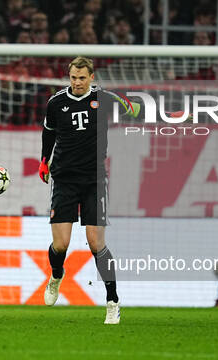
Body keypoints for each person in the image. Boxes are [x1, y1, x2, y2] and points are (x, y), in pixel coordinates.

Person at [38, 56, 142, 324]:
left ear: (92, 77)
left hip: (94, 180)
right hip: (63, 178)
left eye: (82, 78)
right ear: (69, 77)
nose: (77, 82)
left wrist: (144, 108)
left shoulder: (104, 98)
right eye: (73, 77)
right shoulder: (56, 103)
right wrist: (43, 160)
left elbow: (132, 108)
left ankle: (112, 301)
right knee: (61, 244)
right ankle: (56, 275)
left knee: (96, 242)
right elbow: (48, 133)